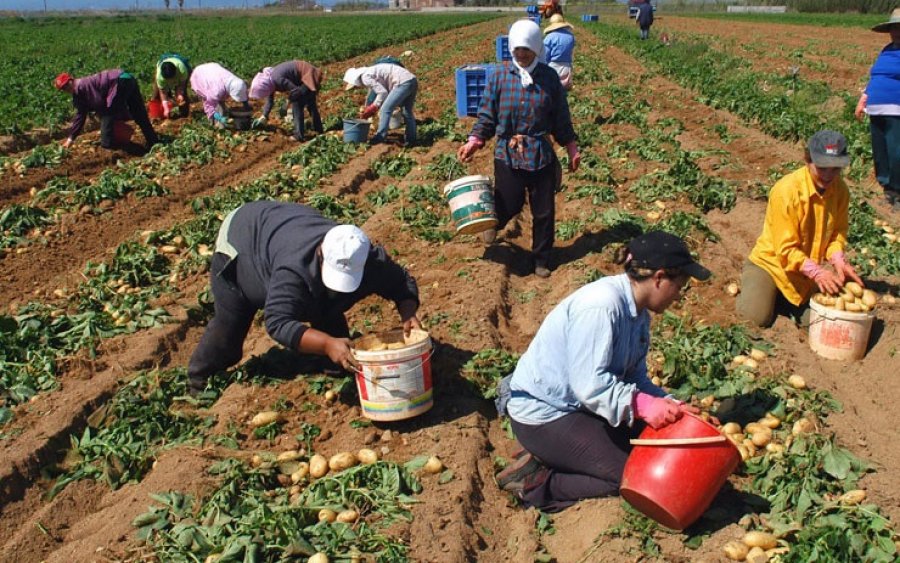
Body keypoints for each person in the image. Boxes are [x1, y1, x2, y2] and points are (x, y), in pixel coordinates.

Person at [493, 231, 710, 512]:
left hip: (576, 406)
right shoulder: (602, 307)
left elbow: (634, 377)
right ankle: (535, 483)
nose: (679, 296)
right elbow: (589, 385)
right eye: (679, 286)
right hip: (544, 413)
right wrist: (641, 404)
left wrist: (671, 405)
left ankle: (556, 454)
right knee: (632, 478)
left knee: (644, 448)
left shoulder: (638, 313)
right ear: (658, 278)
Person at [186, 201, 422, 395]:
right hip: (242, 240)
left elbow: (401, 282)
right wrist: (328, 344)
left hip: (282, 227)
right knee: (232, 321)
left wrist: (408, 312)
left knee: (328, 302)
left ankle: (329, 361)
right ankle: (199, 379)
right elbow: (278, 322)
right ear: (320, 254)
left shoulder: (369, 259)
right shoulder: (293, 270)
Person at [457, 19, 581, 278]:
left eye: (527, 50)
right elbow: (487, 115)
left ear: (537, 48)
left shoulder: (549, 78)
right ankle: (494, 223)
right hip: (507, 153)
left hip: (540, 153)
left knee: (544, 211)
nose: (522, 55)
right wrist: (474, 141)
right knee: (509, 202)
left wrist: (571, 147)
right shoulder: (500, 76)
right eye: (517, 50)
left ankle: (541, 259)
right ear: (511, 49)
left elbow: (561, 117)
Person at [736, 130, 864, 328]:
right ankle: (761, 287)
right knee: (755, 319)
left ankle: (780, 300)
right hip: (771, 265)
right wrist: (818, 273)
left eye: (835, 169)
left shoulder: (840, 191)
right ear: (807, 160)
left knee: (819, 323)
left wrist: (838, 258)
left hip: (802, 273)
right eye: (822, 167)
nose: (829, 175)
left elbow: (837, 232)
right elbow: (785, 250)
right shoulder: (787, 191)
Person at [855, 9, 900, 209]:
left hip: (896, 110)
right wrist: (864, 99)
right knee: (880, 151)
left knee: (896, 151)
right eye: (893, 28)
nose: (896, 32)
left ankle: (897, 190)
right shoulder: (887, 50)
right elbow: (877, 77)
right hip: (876, 109)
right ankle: (887, 188)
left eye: (899, 28)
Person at [54, 69, 158, 150]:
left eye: (67, 85)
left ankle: (108, 147)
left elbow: (99, 103)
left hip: (120, 81)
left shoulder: (82, 86)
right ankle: (153, 141)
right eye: (63, 88)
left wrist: (105, 120)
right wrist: (71, 138)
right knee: (138, 112)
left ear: (71, 80)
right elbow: (80, 116)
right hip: (128, 78)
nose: (66, 89)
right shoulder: (78, 93)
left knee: (107, 114)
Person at [342, 62, 418, 146]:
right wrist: (374, 106)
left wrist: (373, 107)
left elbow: (382, 92)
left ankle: (380, 137)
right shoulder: (370, 72)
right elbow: (383, 92)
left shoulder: (365, 77)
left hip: (402, 82)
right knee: (407, 111)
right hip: (412, 80)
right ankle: (411, 140)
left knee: (385, 110)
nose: (357, 87)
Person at [250, 60, 324, 141]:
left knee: (297, 103)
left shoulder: (277, 79)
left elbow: (295, 91)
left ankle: (299, 135)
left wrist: (286, 105)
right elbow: (269, 100)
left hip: (308, 75)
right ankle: (318, 129)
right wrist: (264, 116)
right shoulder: (269, 81)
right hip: (305, 76)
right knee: (310, 102)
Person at [189, 62, 250, 127]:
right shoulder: (215, 92)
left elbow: (242, 94)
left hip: (213, 68)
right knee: (218, 107)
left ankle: (221, 120)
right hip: (199, 75)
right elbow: (209, 107)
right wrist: (220, 118)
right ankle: (214, 124)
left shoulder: (238, 82)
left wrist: (246, 107)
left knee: (221, 103)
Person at [151, 53, 191, 119]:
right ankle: (158, 115)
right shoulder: (159, 77)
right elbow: (163, 92)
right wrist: (166, 107)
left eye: (172, 78)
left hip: (181, 70)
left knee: (183, 97)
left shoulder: (182, 69)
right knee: (156, 95)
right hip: (164, 72)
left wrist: (180, 94)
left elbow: (182, 85)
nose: (170, 81)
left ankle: (184, 115)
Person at [543, 14, 576, 91]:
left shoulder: (550, 37)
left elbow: (545, 55)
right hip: (567, 66)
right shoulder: (571, 36)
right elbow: (571, 51)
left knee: (552, 89)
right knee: (565, 88)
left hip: (553, 66)